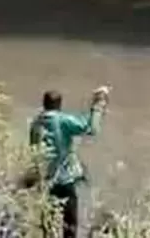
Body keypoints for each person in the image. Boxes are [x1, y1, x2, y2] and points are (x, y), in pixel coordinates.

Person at [29, 87, 110, 238]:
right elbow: (90, 129)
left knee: (48, 224)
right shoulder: (62, 120)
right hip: (64, 180)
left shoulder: (35, 123)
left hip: (45, 179)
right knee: (70, 225)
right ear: (59, 105)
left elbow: (34, 151)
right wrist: (97, 105)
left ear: (44, 104)